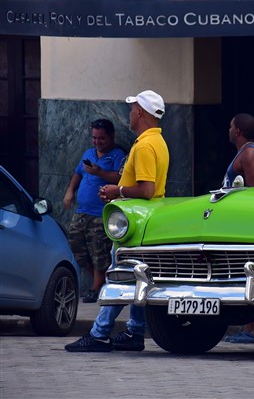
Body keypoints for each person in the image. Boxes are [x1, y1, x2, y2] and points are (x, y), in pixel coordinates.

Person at [65, 89, 170, 352]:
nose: (129, 114)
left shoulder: (145, 145)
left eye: (132, 109)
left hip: (132, 225)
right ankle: (134, 331)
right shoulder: (157, 141)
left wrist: (117, 191)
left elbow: (146, 189)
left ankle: (99, 334)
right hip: (143, 221)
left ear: (140, 113)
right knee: (136, 278)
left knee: (120, 279)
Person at [63, 119, 126, 303]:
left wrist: (99, 172)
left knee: (99, 250)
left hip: (101, 213)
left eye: (101, 138)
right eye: (94, 138)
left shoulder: (118, 155)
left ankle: (96, 286)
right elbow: (78, 173)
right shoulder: (89, 153)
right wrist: (69, 191)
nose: (97, 142)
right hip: (82, 211)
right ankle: (100, 279)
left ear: (111, 136)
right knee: (76, 245)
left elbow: (120, 178)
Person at [221, 113, 254, 344]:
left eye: (231, 126)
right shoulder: (243, 153)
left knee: (250, 272)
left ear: (238, 130)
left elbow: (252, 192)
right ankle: (250, 326)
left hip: (247, 224)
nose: (228, 130)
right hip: (236, 221)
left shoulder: (249, 153)